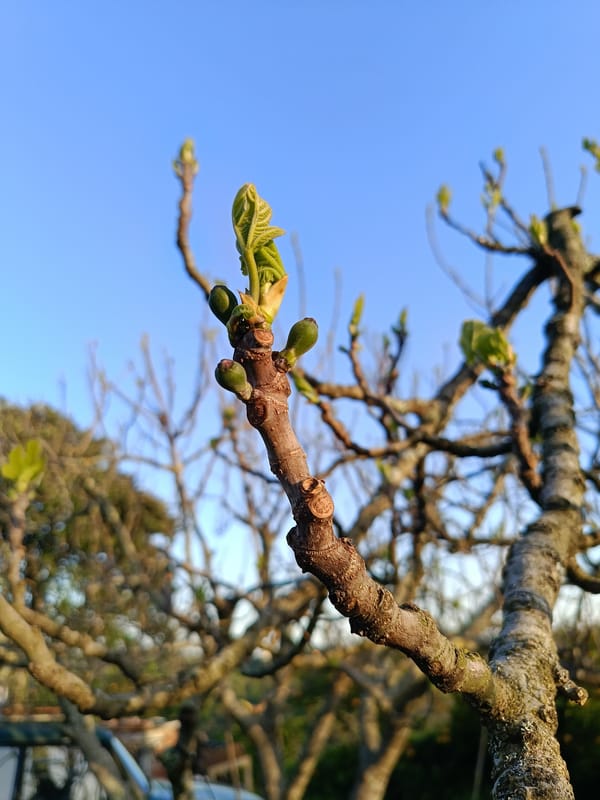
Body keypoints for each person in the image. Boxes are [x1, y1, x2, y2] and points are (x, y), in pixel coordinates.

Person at [159, 702, 207, 800]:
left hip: (187, 782)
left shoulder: (195, 737)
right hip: (178, 782)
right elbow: (168, 763)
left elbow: (199, 764)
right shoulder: (174, 736)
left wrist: (197, 764)